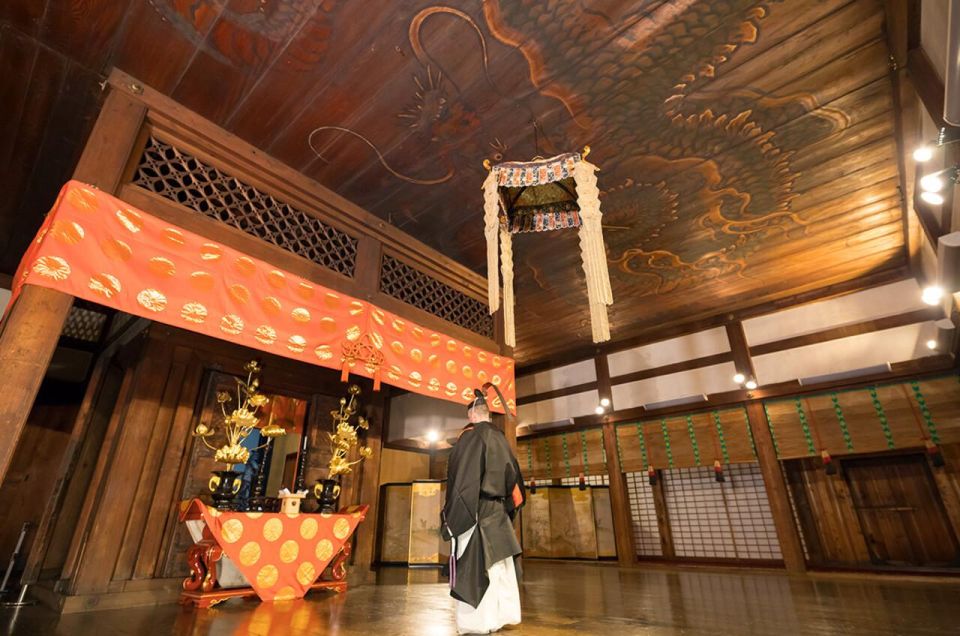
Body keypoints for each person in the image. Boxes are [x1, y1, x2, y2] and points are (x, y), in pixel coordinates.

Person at [442, 386, 526, 634]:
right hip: (498, 511)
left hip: (475, 510)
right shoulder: (501, 438)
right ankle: (500, 617)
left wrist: (453, 517)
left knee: (475, 565)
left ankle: (477, 623)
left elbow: (462, 481)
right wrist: (507, 510)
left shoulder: (471, 437)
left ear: (472, 415)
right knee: (499, 566)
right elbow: (515, 481)